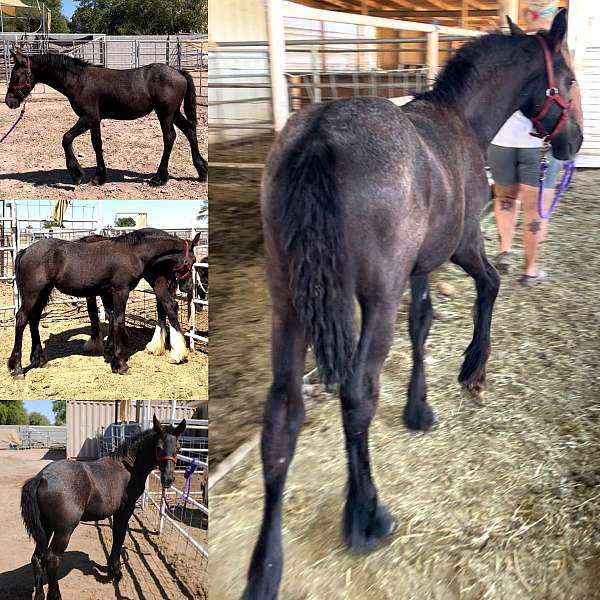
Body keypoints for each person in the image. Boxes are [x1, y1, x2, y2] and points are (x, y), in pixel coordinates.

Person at [489, 1, 583, 285]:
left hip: (500, 141)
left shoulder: (510, 50)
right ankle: (530, 271)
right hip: (539, 142)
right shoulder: (560, 52)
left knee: (504, 198)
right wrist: (578, 129)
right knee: (535, 209)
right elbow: (571, 95)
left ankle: (504, 249)